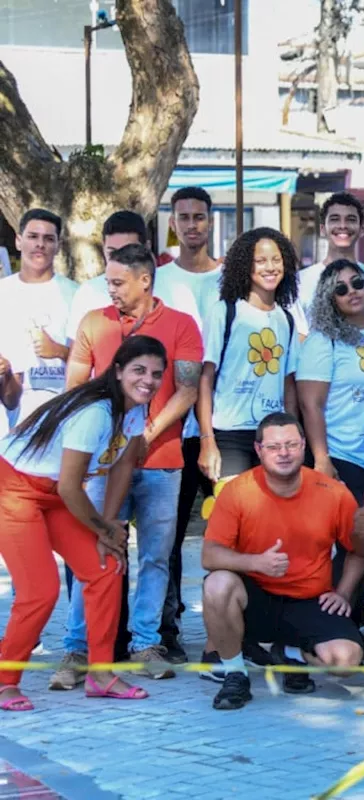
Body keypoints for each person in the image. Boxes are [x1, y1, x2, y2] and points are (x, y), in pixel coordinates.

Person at [52, 244, 202, 685]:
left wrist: (143, 437)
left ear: (145, 280)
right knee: (96, 550)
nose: (110, 290)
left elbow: (187, 390)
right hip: (100, 465)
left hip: (163, 461)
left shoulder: (181, 323)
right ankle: (77, 648)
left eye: (117, 282)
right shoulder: (94, 322)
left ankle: (145, 643)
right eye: (108, 282)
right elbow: (74, 387)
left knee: (156, 557)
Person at [0, 336, 164, 711]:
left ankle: (101, 675)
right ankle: (5, 681)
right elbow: (72, 489)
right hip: (14, 486)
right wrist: (105, 530)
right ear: (118, 370)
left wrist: (109, 523)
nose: (148, 380)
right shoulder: (95, 412)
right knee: (40, 591)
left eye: (156, 374)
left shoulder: (135, 407)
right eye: (139, 370)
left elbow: (124, 463)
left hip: (54, 492)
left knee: (107, 567)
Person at [200, 413, 364, 709]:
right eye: (274, 446)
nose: (283, 453)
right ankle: (235, 674)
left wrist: (344, 590)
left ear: (304, 446)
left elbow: (362, 550)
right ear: (258, 450)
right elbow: (209, 556)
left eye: (291, 445)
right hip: (256, 600)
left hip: (310, 600)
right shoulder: (237, 491)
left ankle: (292, 652)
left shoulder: (333, 491)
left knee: (346, 662)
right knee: (217, 583)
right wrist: (256, 563)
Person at [297, 260, 364, 652]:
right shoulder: (324, 341)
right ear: (329, 299)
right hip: (341, 453)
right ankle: (333, 630)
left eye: (358, 282)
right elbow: (311, 404)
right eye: (340, 288)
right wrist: (321, 458)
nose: (352, 291)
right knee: (352, 541)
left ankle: (354, 625)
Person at [161, 187, 223, 662]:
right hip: (173, 429)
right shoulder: (159, 279)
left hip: (227, 430)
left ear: (210, 220)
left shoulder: (230, 279)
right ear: (173, 222)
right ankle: (167, 625)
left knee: (228, 534)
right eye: (183, 217)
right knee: (169, 536)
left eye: (199, 217)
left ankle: (227, 631)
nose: (192, 225)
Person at [197, 227, 303, 486]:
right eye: (261, 260)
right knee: (235, 509)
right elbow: (205, 379)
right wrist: (207, 440)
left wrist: (294, 435)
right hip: (228, 433)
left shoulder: (287, 319)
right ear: (246, 265)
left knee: (272, 517)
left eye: (276, 260)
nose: (270, 267)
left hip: (274, 437)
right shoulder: (225, 311)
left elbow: (289, 384)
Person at [0, 209, 79, 428]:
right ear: (18, 241)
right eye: (33, 236)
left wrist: (58, 351)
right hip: (8, 423)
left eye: (48, 238)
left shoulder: (76, 294)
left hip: (62, 417)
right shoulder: (3, 292)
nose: (40, 244)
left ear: (58, 246)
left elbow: (94, 362)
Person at [67, 210, 202, 336]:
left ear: (147, 248)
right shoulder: (88, 293)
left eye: (128, 252)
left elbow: (193, 349)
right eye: (112, 252)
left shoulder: (178, 293)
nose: (119, 260)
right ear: (103, 248)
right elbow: (76, 354)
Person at [296, 193, 364, 332]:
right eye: (335, 219)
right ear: (322, 229)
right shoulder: (300, 282)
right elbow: (296, 340)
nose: (343, 225)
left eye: (350, 219)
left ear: (362, 230)